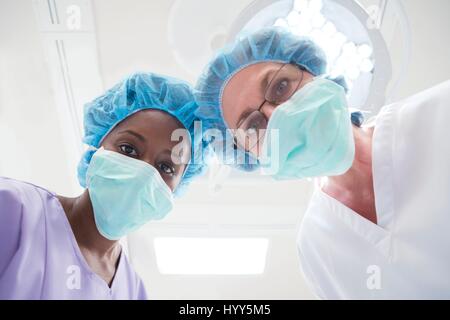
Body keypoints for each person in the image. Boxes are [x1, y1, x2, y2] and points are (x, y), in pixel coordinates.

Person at [195, 26, 450, 299]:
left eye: (280, 86)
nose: (279, 112)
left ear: (311, 72)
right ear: (250, 156)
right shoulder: (317, 246)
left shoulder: (440, 112)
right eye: (253, 126)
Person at [0, 72, 207, 299]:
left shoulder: (132, 291)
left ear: (178, 187)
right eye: (128, 149)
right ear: (98, 146)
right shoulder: (15, 210)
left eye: (166, 167)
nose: (143, 173)